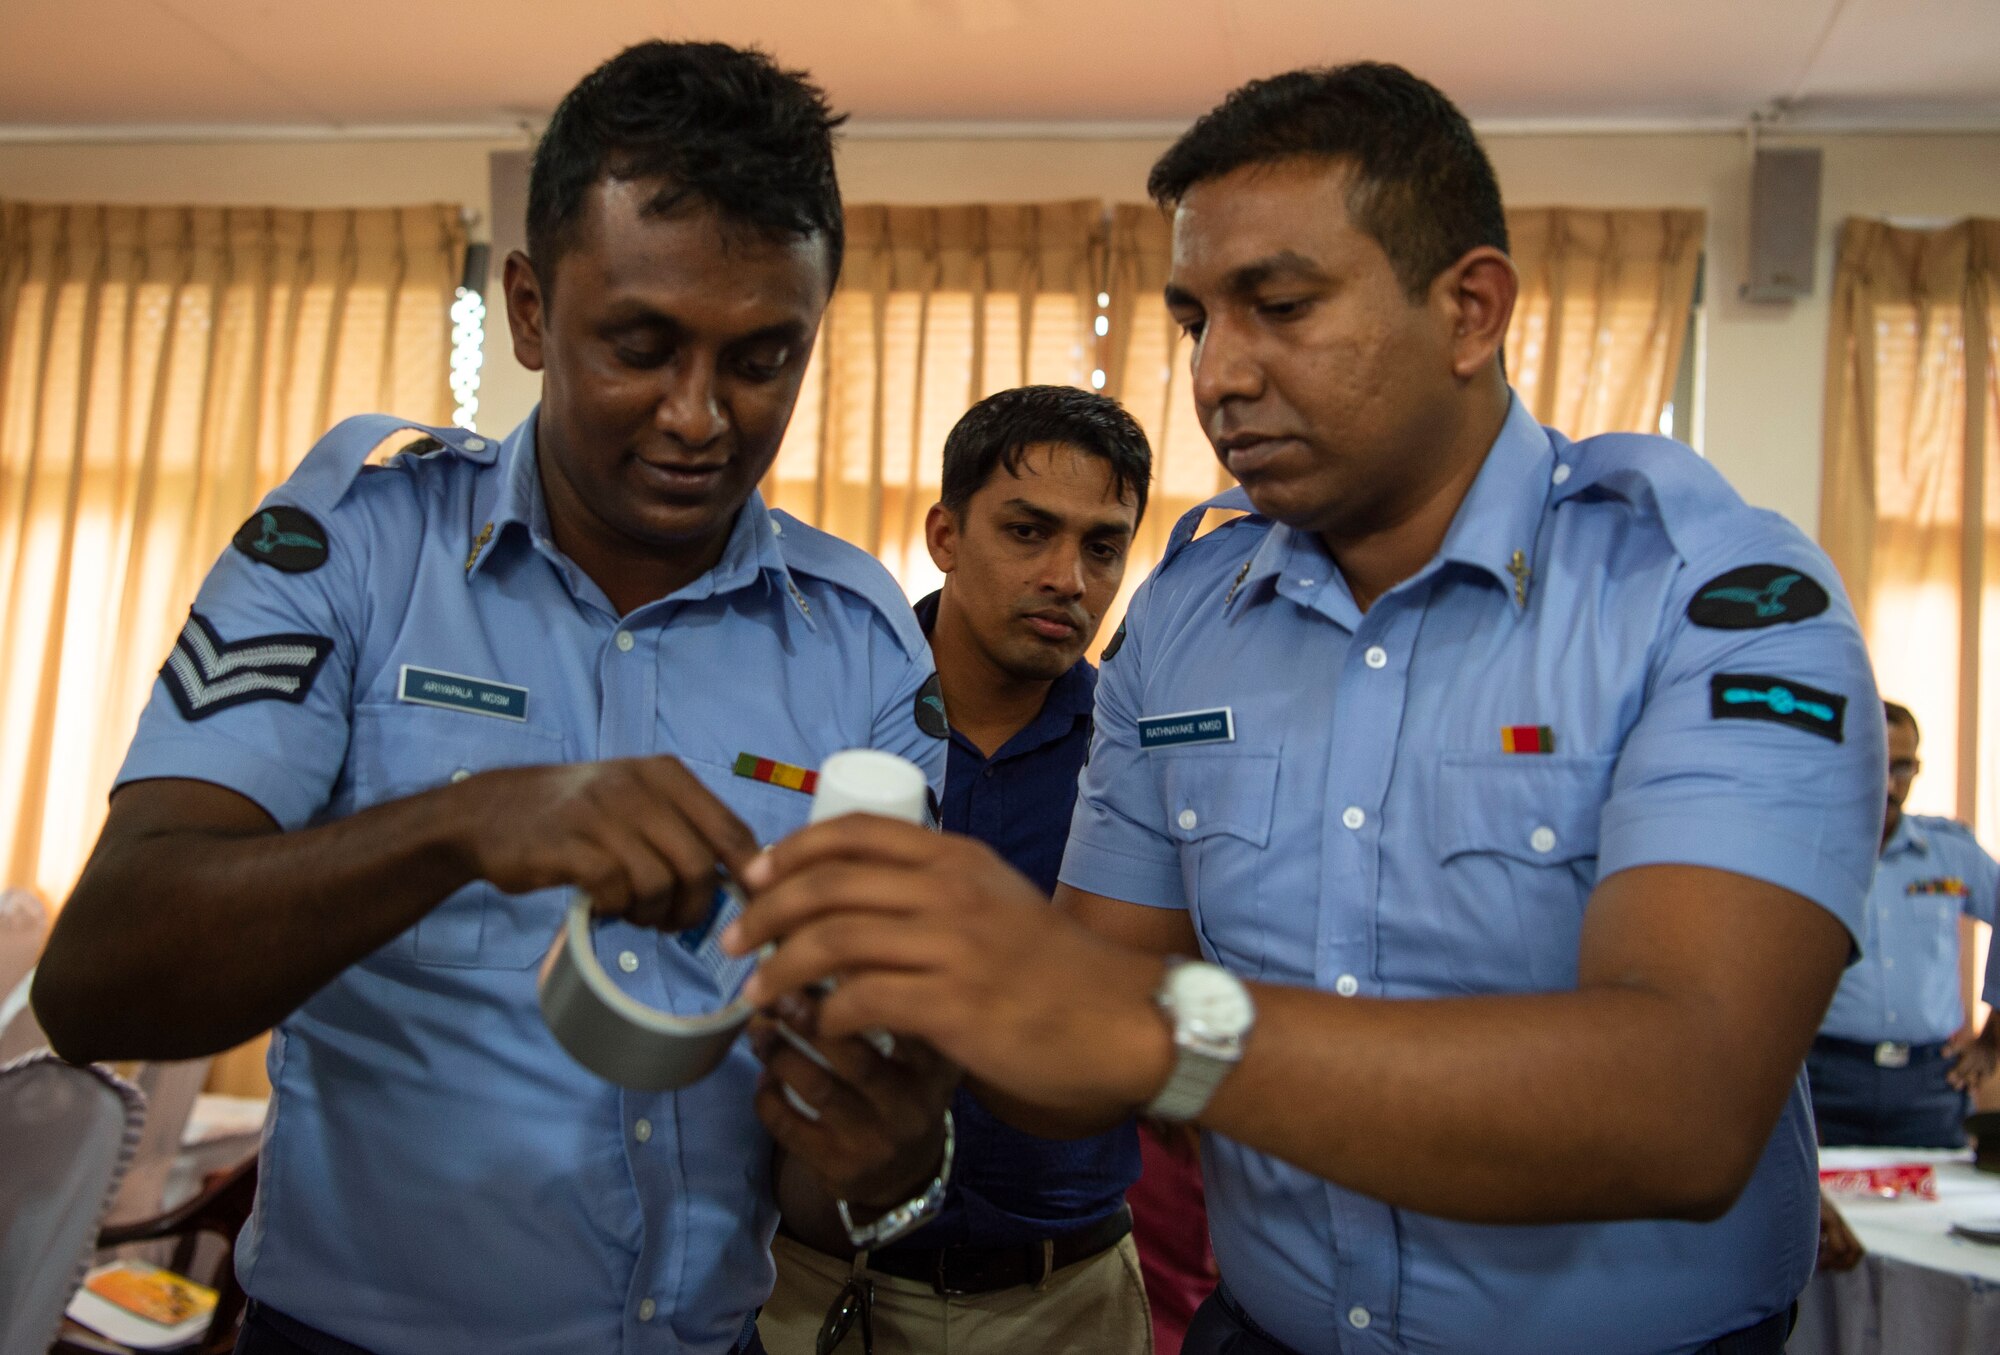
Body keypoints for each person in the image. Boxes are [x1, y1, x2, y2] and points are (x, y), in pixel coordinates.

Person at [725, 61, 1886, 1355]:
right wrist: (907, 1058)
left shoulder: (1713, 596)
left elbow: (1687, 1103)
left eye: (1278, 306)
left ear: (1470, 308)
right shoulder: (1189, 616)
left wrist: (1151, 1027)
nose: (1221, 375)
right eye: (1197, 320)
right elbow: (1082, 1030)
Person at [33, 41, 956, 1355]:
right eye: (640, 346)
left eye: (763, 358)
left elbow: (827, 1175)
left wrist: (883, 1144)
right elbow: (97, 983)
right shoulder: (352, 546)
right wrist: (457, 825)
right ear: (529, 310)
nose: (701, 417)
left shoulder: (863, 637)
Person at [759, 385, 1153, 1353]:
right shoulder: (827, 711)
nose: (1067, 577)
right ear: (943, 532)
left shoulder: (1140, 758)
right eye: (1027, 530)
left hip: (1064, 1298)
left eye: (1101, 547)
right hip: (818, 1279)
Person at [1809, 701, 2000, 1146]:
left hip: (1930, 1082)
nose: (1890, 784)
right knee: (1819, 1213)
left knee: (1932, 1214)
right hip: (1825, 1077)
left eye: (1903, 768)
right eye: (1877, 765)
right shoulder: (1807, 848)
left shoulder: (1947, 851)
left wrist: (1993, 1039)